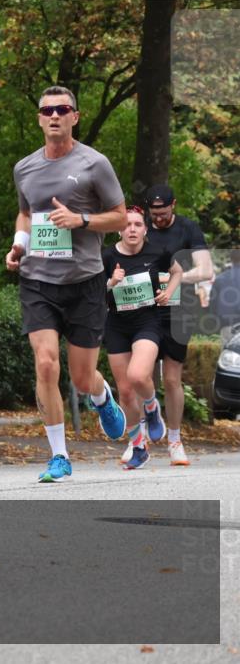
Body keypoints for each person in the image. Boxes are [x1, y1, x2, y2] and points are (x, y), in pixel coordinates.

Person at [5, 85, 128, 483]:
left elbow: (121, 218)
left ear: (75, 116)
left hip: (85, 281)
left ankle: (100, 395)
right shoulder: (24, 168)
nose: (54, 116)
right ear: (39, 119)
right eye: (47, 110)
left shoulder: (95, 164)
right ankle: (59, 456)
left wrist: (82, 221)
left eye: (62, 109)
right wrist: (19, 246)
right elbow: (25, 214)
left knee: (79, 376)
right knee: (44, 364)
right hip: (37, 279)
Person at [102, 207, 182, 469]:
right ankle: (138, 447)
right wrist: (111, 282)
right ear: (119, 229)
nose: (132, 229)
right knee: (125, 391)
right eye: (127, 225)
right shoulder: (107, 256)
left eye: (138, 224)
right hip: (117, 325)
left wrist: (168, 292)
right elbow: (93, 293)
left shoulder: (157, 252)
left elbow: (178, 272)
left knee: (138, 376)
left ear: (146, 229)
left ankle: (151, 407)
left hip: (147, 322)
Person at [142, 183, 214, 466]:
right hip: (145, 309)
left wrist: (173, 280)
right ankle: (142, 439)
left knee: (172, 379)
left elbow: (205, 269)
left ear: (173, 205)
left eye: (163, 212)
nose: (158, 218)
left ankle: (174, 440)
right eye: (154, 213)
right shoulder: (142, 227)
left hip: (179, 310)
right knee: (142, 376)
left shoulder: (188, 229)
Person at [211, 250, 240, 340]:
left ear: (231, 259)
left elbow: (213, 303)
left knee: (228, 351)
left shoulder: (220, 278)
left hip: (227, 323)